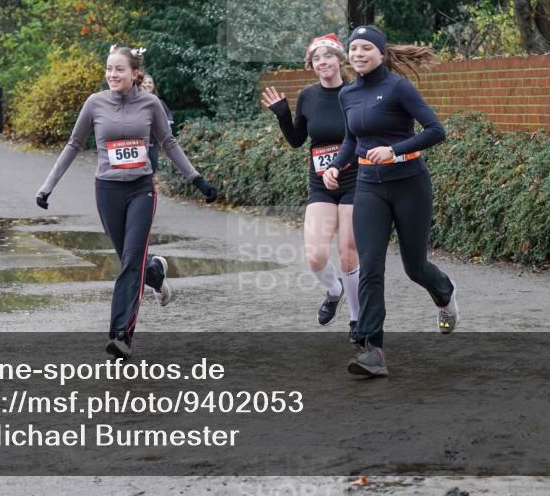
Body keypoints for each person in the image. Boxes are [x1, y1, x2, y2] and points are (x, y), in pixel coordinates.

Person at [35, 46, 217, 359]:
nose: (112, 74)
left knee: (131, 262)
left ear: (135, 73)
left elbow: (168, 142)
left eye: (119, 69)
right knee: (133, 262)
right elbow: (74, 144)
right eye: (109, 69)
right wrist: (47, 187)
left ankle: (121, 335)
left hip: (141, 190)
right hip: (108, 191)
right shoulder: (95, 103)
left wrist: (197, 179)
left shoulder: (150, 103)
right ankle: (155, 272)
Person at [323, 25, 457, 377]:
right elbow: (352, 139)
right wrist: (336, 166)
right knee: (371, 266)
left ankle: (444, 292)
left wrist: (394, 150)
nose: (359, 54)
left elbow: (436, 131)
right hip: (368, 187)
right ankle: (373, 350)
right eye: (354, 48)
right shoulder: (348, 94)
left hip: (409, 184)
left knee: (415, 267)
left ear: (381, 54)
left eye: (366, 48)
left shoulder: (399, 87)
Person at [261, 33, 360, 339]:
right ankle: (334, 290)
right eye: (316, 58)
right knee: (316, 256)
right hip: (320, 183)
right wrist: (282, 115)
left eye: (328, 56)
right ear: (311, 65)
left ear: (340, 60)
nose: (322, 62)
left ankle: (357, 320)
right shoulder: (308, 96)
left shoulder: (356, 92)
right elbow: (296, 140)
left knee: (348, 253)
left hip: (355, 180)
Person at [140, 72, 173, 174]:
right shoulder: (136, 101)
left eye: (150, 82)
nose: (147, 84)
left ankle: (151, 182)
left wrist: (166, 124)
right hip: (138, 142)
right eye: (145, 82)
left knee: (153, 166)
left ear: (153, 86)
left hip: (153, 142)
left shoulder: (159, 102)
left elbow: (169, 117)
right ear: (140, 84)